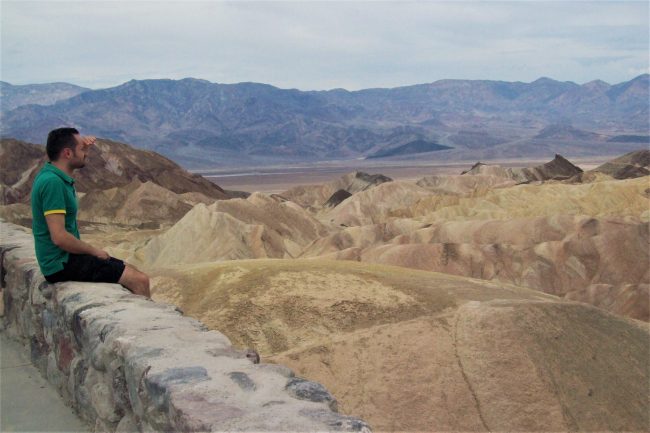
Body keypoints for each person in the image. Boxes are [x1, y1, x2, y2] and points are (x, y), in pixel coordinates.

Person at [30, 127, 150, 297]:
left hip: (64, 260)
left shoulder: (53, 175)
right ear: (67, 153)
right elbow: (59, 237)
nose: (86, 153)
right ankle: (143, 323)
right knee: (140, 280)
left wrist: (81, 147)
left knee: (130, 270)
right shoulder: (53, 183)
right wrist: (94, 251)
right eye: (81, 149)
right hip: (61, 264)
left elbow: (59, 237)